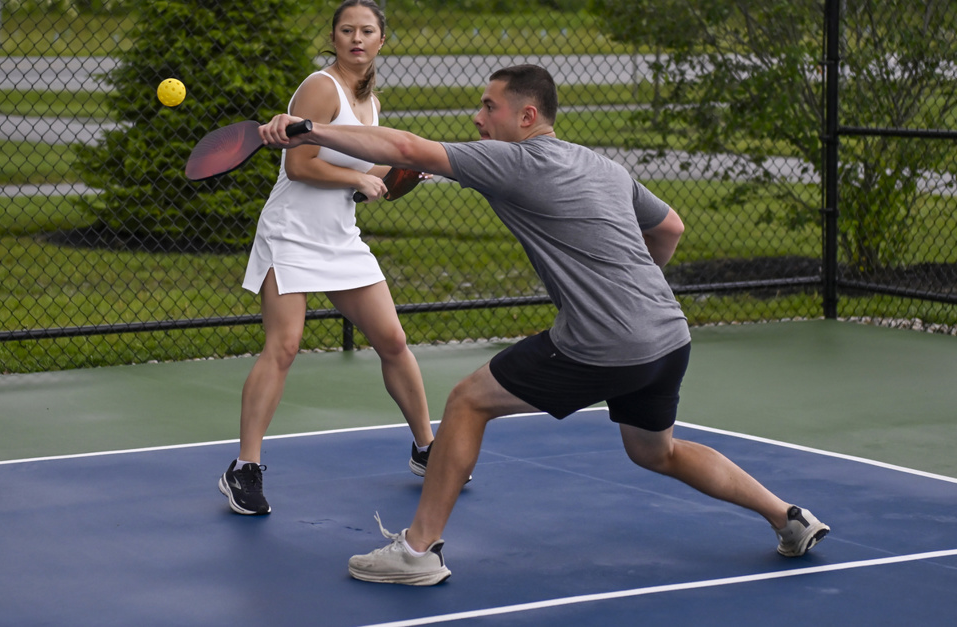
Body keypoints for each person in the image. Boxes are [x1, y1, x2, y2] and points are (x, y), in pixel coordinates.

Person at [258, 64, 830, 584]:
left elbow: (407, 147)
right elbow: (671, 229)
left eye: (489, 107)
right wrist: (631, 292)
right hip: (668, 335)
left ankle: (418, 551)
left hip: (605, 342)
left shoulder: (514, 161)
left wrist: (307, 129)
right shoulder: (601, 164)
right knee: (656, 452)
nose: (478, 117)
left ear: (526, 116)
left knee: (466, 401)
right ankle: (788, 516)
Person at [218, 0, 436, 517]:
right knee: (285, 345)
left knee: (393, 339)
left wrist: (395, 177)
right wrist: (358, 176)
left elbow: (364, 181)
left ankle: (427, 449)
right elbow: (299, 166)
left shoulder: (371, 102)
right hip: (290, 232)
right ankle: (244, 469)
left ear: (382, 40)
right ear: (333, 38)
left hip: (339, 236)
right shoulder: (320, 87)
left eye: (366, 31)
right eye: (346, 31)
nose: (356, 39)